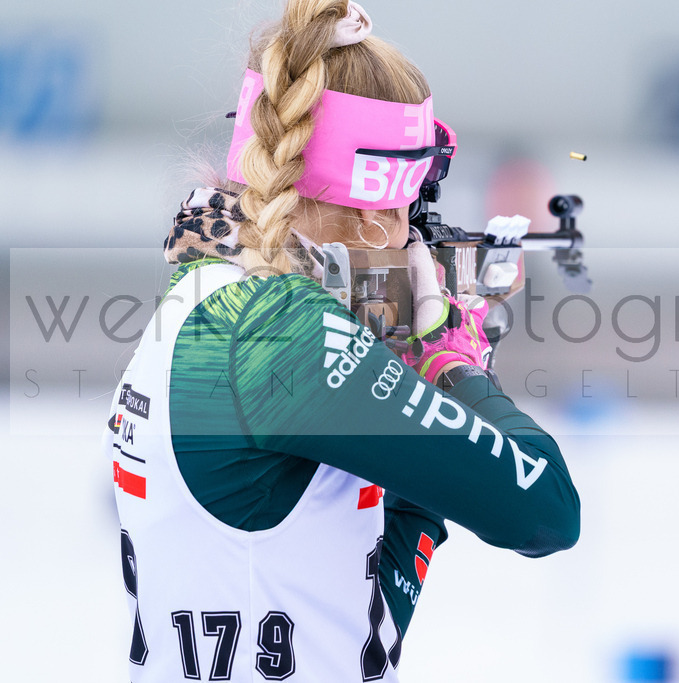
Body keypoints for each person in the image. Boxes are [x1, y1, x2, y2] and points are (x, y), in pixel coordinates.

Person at [103, 1, 580, 681]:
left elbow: (359, 630)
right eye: (403, 211)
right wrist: (454, 365)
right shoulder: (285, 333)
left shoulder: (203, 295)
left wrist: (405, 380)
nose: (403, 236)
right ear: (372, 203)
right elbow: (548, 510)